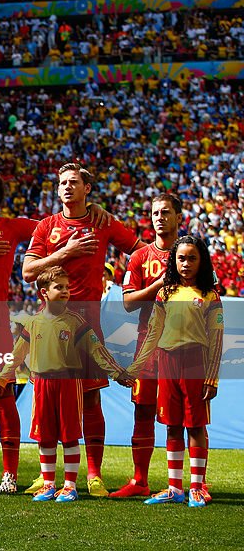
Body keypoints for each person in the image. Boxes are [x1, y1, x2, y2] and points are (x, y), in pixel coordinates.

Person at [0, 166, 109, 492]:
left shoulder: (12, 227)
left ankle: (9, 474)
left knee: (3, 397)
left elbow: (56, 225)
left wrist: (91, 209)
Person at [22, 162, 142, 497]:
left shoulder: (102, 222)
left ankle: (93, 474)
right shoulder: (47, 226)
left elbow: (138, 251)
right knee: (45, 401)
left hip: (85, 324)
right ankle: (47, 476)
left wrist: (134, 285)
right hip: (48, 324)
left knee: (90, 400)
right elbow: (28, 271)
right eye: (62, 183)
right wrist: (66, 252)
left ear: (87, 189)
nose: (67, 187)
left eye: (74, 182)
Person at [0, 267, 131, 503]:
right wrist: (2, 379)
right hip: (42, 385)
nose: (66, 291)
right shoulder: (33, 322)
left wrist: (118, 373)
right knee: (45, 437)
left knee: (69, 436)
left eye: (67, 287)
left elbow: (98, 352)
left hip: (69, 384)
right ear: (44, 293)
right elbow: (16, 355)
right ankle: (48, 484)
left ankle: (69, 485)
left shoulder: (76, 321)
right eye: (60, 287)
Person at [124, 236, 222, 508]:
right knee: (172, 424)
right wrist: (135, 368)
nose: (186, 263)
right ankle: (174, 487)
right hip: (166, 363)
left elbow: (217, 340)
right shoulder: (164, 294)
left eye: (192, 258)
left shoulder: (210, 295)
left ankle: (196, 487)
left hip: (195, 365)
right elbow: (153, 334)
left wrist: (212, 377)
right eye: (181, 258)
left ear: (201, 261)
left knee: (195, 425)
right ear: (173, 260)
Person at [114, 193, 182, 498]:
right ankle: (140, 481)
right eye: (155, 213)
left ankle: (188, 483)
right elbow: (128, 302)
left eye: (166, 212)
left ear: (179, 217)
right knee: (143, 412)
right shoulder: (141, 258)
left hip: (183, 348)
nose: (159, 217)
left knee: (181, 415)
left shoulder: (191, 254)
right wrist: (156, 287)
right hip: (148, 350)